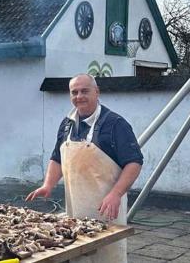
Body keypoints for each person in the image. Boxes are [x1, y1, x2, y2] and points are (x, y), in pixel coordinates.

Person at [26, 73, 143, 263]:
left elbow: (134, 162)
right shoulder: (66, 124)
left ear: (97, 92)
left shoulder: (115, 124)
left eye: (84, 91)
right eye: (74, 92)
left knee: (107, 257)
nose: (79, 96)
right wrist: (47, 185)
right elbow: (57, 158)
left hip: (107, 214)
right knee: (79, 258)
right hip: (75, 214)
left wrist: (116, 194)